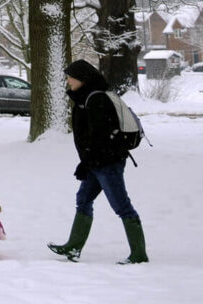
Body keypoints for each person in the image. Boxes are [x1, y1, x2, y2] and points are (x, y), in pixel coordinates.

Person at [48, 59, 148, 264]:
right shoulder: (85, 97)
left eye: (70, 77)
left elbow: (99, 136)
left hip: (107, 162)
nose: (67, 81)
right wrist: (87, 162)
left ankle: (139, 254)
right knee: (83, 199)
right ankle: (74, 247)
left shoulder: (96, 99)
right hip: (96, 161)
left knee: (121, 206)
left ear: (82, 79)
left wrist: (86, 163)